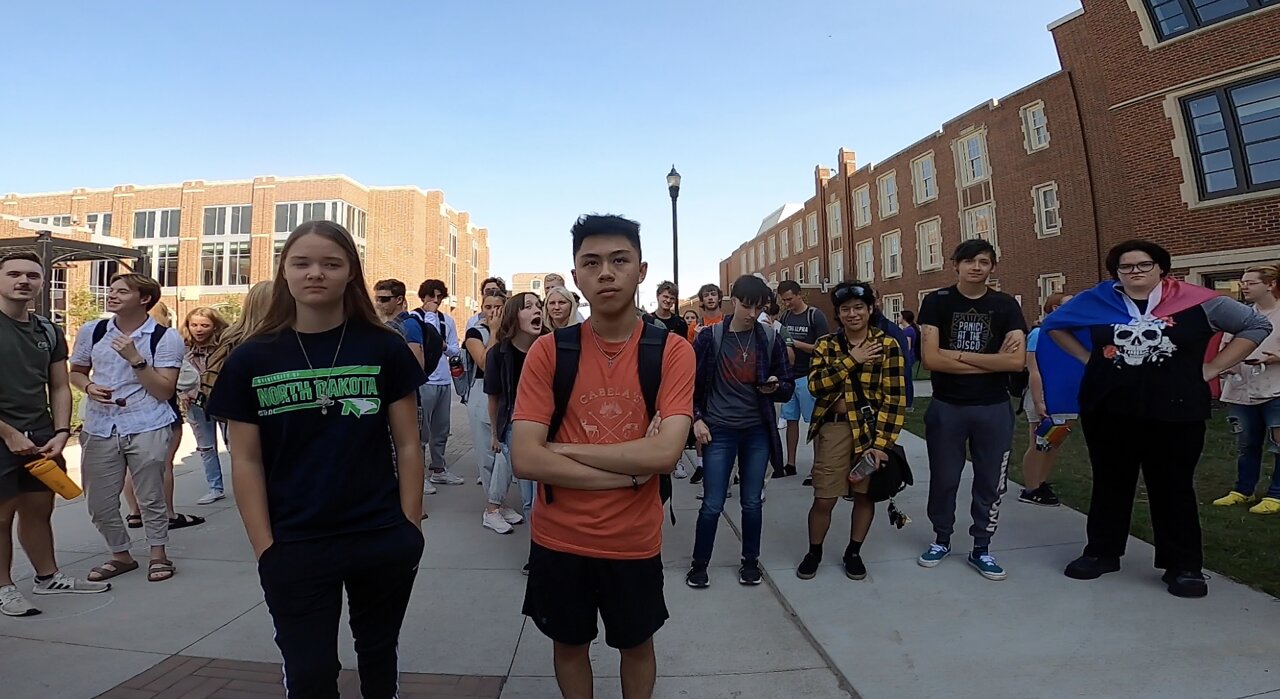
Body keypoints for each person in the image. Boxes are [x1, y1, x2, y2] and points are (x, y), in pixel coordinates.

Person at [207, 220, 426, 698]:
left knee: (377, 655)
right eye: (301, 263)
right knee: (309, 673)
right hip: (295, 542)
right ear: (283, 271)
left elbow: (409, 443)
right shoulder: (252, 358)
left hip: (379, 535)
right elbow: (245, 460)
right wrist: (264, 546)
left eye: (331, 263)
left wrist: (410, 526)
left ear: (351, 273)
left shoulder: (382, 346)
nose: (316, 274)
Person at [512, 214, 694, 699]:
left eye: (619, 260)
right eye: (591, 263)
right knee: (569, 645)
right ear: (576, 278)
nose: (606, 272)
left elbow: (666, 451)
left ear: (641, 269)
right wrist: (632, 471)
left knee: (636, 645)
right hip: (559, 538)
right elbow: (526, 460)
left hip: (633, 540)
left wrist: (567, 449)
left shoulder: (672, 351)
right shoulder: (550, 352)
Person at [1041, 240, 1270, 597]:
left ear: (1161, 267)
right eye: (1126, 266)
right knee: (1110, 482)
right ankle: (1102, 553)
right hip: (1109, 408)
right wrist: (1089, 360)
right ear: (1116, 272)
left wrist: (1213, 367)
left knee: (1173, 486)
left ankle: (1183, 565)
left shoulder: (1198, 300)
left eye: (1143, 265)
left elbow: (1255, 326)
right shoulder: (1098, 300)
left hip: (1176, 411)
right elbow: (1055, 324)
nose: (1135, 272)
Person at [0, 252, 109, 617]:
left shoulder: (47, 329)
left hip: (42, 436)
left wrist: (62, 432)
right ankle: (3, 588)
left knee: (38, 509)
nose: (23, 280)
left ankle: (47, 577)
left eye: (32, 275)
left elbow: (60, 386)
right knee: (1, 517)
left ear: (42, 282)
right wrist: (9, 434)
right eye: (13, 273)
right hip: (3, 437)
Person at [916, 239, 1027, 581]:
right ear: (956, 265)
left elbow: (1017, 361)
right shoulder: (937, 302)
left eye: (984, 261)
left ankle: (982, 546)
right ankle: (942, 539)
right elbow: (931, 359)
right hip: (948, 406)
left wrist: (957, 355)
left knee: (990, 481)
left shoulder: (1005, 305)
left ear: (993, 267)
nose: (976, 267)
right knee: (945, 478)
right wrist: (993, 362)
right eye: (969, 261)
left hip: (993, 407)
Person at [70, 273, 184, 584]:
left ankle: (158, 554)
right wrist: (89, 386)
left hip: (147, 421)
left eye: (122, 291)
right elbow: (76, 372)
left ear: (144, 298)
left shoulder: (164, 337)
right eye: (111, 290)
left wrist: (135, 359)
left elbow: (164, 390)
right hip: (99, 425)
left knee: (150, 495)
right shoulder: (93, 331)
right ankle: (120, 554)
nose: (113, 295)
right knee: (99, 500)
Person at [685, 275, 792, 589]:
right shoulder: (711, 337)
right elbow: (689, 385)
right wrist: (697, 419)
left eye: (757, 307)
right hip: (719, 428)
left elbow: (785, 387)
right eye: (746, 305)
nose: (750, 312)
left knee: (752, 502)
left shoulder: (770, 338)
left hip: (756, 430)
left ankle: (750, 562)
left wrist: (774, 385)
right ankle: (699, 565)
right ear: (733, 300)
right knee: (713, 503)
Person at [796, 281, 906, 581]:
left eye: (859, 307)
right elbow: (817, 386)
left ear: (871, 309)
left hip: (870, 433)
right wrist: (852, 360)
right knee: (824, 498)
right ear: (838, 314)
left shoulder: (887, 346)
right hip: (834, 429)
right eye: (846, 309)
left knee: (864, 497)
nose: (853, 314)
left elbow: (894, 399)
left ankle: (853, 551)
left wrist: (882, 444)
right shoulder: (826, 345)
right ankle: (814, 551)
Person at [122, 302, 204, 531]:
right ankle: (167, 513)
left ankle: (135, 512)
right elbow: (188, 378)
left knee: (131, 466)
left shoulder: (116, 338)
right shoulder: (165, 340)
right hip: (160, 408)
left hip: (125, 411)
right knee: (163, 463)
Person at [1214, 264, 1280, 515]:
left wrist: (1276, 358)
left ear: (1270, 284)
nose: (1244, 287)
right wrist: (1224, 366)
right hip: (1242, 390)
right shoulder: (1240, 315)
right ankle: (1243, 490)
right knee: (1246, 443)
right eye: (1242, 282)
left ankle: (1276, 494)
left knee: (1278, 444)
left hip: (1276, 390)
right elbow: (1227, 348)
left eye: (1250, 282)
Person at [484, 292, 545, 529]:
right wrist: (495, 434)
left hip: (548, 427)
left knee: (545, 491)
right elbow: (494, 398)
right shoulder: (498, 354)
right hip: (514, 426)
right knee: (529, 494)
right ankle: (536, 552)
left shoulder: (551, 347)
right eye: (528, 307)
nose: (536, 310)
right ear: (514, 316)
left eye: (538, 306)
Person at [1019, 293, 1073, 507]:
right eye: (1066, 305)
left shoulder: (1074, 334)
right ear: (1053, 308)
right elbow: (1033, 370)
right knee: (1039, 443)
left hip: (1066, 398)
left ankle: (1041, 482)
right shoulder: (1038, 334)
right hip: (1042, 397)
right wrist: (1039, 401)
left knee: (1054, 442)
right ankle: (1031, 488)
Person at [776, 280, 830, 481]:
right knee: (790, 420)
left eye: (790, 299)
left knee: (813, 423)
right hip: (790, 376)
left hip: (809, 376)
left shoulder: (815, 316)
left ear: (800, 295)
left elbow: (824, 348)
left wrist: (795, 343)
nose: (787, 303)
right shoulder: (786, 316)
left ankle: (817, 467)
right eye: (784, 300)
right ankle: (790, 463)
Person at [411, 279, 463, 487]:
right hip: (424, 380)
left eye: (439, 296)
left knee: (441, 429)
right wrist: (430, 315)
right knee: (422, 431)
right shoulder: (415, 318)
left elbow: (453, 349)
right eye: (431, 296)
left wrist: (442, 346)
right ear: (423, 296)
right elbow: (425, 340)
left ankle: (438, 468)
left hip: (443, 379)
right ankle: (419, 476)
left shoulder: (447, 321)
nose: (436, 300)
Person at [179, 306, 231, 505]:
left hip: (223, 401)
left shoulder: (224, 346)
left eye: (204, 325)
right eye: (194, 325)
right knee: (206, 447)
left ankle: (244, 483)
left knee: (233, 445)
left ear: (215, 326)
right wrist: (182, 393)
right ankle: (215, 487)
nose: (198, 329)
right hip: (195, 403)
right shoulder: (183, 347)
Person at [899, 310, 920, 376]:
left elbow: (908, 347)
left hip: (909, 357)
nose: (898, 318)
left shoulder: (908, 331)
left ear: (904, 318)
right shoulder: (909, 329)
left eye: (900, 316)